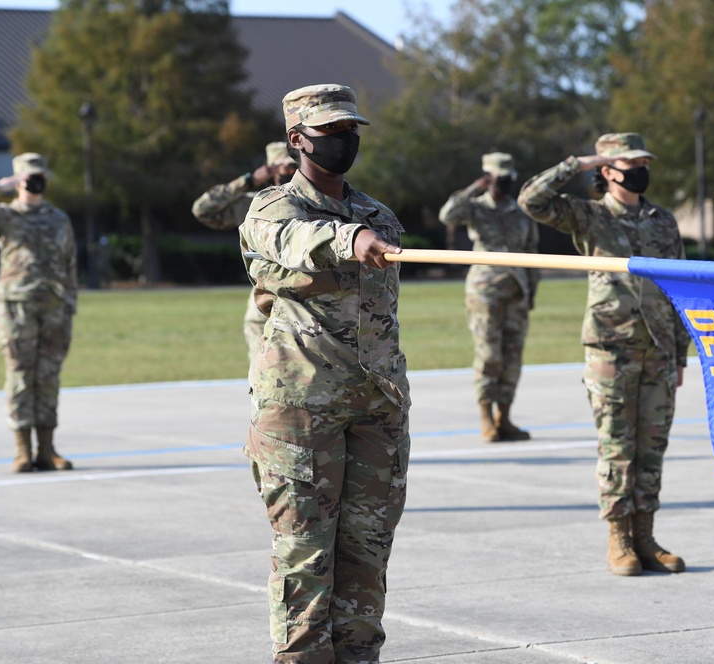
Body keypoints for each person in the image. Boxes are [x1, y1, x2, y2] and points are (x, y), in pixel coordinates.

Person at [239, 84, 410, 662]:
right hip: (302, 410)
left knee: (367, 556)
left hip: (375, 410)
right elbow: (290, 243)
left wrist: (366, 231)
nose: (344, 142)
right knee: (306, 558)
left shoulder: (380, 215)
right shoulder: (271, 209)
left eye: (350, 132)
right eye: (330, 132)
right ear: (297, 140)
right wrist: (348, 238)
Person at [518, 133, 690, 577]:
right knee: (617, 446)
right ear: (609, 170)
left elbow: (680, 287)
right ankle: (619, 540)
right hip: (611, 348)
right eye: (630, 162)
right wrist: (578, 162)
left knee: (652, 447)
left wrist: (681, 354)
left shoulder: (663, 221)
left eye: (643, 161)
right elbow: (532, 201)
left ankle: (646, 537)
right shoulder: (590, 216)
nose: (640, 169)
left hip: (659, 350)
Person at [0, 152, 76, 473]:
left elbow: (70, 264)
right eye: (29, 176)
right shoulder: (4, 216)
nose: (36, 182)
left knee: (48, 377)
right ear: (18, 180)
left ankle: (48, 450)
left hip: (54, 308)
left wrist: (70, 306)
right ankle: (22, 450)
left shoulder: (59, 219)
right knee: (21, 375)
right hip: (14, 309)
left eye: (40, 176)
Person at [439, 152, 540, 442]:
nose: (504, 183)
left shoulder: (521, 211)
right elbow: (447, 215)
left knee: (512, 357)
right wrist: (474, 188)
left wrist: (532, 291)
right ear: (488, 178)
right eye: (499, 178)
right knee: (488, 355)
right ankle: (486, 418)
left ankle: (504, 418)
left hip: (517, 291)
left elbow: (532, 251)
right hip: (485, 292)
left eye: (508, 178)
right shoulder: (475, 207)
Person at [192, 142, 297, 365]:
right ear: (270, 170)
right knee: (264, 367)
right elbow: (203, 210)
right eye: (282, 167)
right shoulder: (253, 203)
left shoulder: (317, 199)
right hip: (265, 292)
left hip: (307, 290)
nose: (288, 172)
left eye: (292, 167)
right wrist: (247, 181)